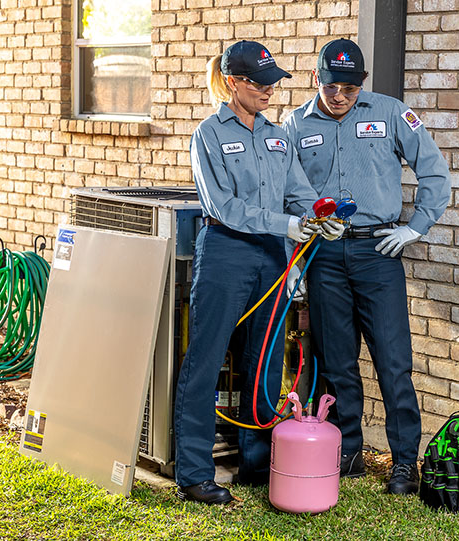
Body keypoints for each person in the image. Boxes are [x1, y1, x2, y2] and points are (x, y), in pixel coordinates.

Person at [173, 40, 342, 505]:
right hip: (227, 250)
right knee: (205, 362)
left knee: (264, 361)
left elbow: (298, 192)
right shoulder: (208, 134)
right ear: (233, 82)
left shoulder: (276, 135)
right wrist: (288, 224)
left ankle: (254, 464)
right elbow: (223, 206)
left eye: (274, 81)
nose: (270, 89)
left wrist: (322, 215)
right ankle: (193, 473)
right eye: (259, 82)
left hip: (273, 255)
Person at [282, 39, 451, 495]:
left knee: (394, 364)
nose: (340, 96)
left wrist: (415, 228)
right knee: (336, 362)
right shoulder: (295, 124)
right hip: (323, 257)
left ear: (362, 85)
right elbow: (283, 193)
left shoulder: (392, 113)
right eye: (332, 85)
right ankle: (347, 452)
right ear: (316, 78)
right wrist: (294, 259)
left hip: (379, 253)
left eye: (350, 89)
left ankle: (403, 465)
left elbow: (434, 172)